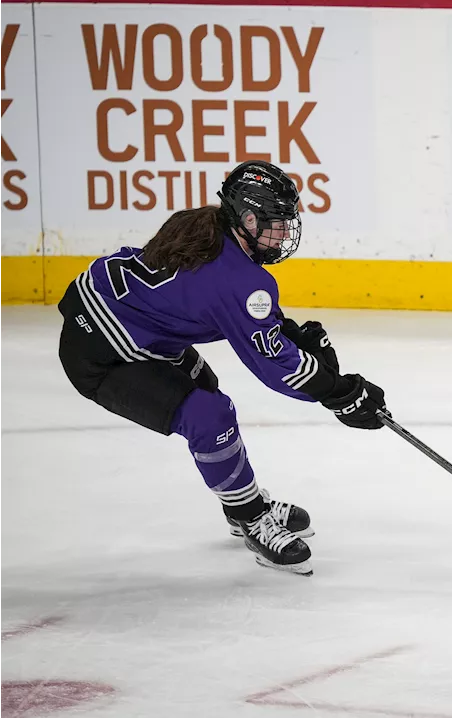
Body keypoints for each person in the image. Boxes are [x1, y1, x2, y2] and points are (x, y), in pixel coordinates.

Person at [56, 162, 389, 576]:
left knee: (207, 391)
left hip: (128, 327)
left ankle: (238, 504)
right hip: (102, 353)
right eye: (277, 223)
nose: (285, 233)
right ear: (248, 218)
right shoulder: (237, 278)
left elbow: (236, 310)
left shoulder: (207, 226)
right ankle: (250, 516)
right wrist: (339, 392)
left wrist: (285, 331)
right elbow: (275, 365)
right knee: (209, 416)